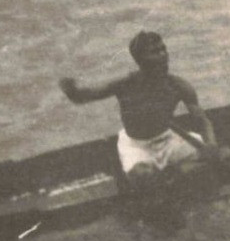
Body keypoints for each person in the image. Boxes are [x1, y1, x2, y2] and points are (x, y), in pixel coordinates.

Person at [59, 30, 218, 183]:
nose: (163, 55)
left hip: (168, 139)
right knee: (143, 176)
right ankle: (165, 176)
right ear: (140, 60)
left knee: (214, 158)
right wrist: (71, 91)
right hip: (136, 145)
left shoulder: (179, 85)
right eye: (155, 52)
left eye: (163, 49)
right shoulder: (125, 84)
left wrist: (211, 144)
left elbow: (202, 121)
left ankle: (169, 174)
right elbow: (84, 97)